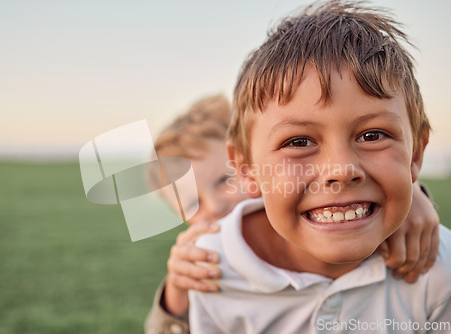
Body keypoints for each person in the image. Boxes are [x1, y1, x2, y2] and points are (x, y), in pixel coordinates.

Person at [188, 2, 451, 333]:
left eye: (372, 135)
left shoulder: (440, 272)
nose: (341, 170)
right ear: (245, 167)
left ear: (417, 153)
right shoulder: (210, 267)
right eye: (298, 142)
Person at [145, 92, 440, 333]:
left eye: (224, 180)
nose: (215, 207)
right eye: (191, 204)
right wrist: (177, 292)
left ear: (249, 165)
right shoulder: (202, 263)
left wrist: (414, 195)